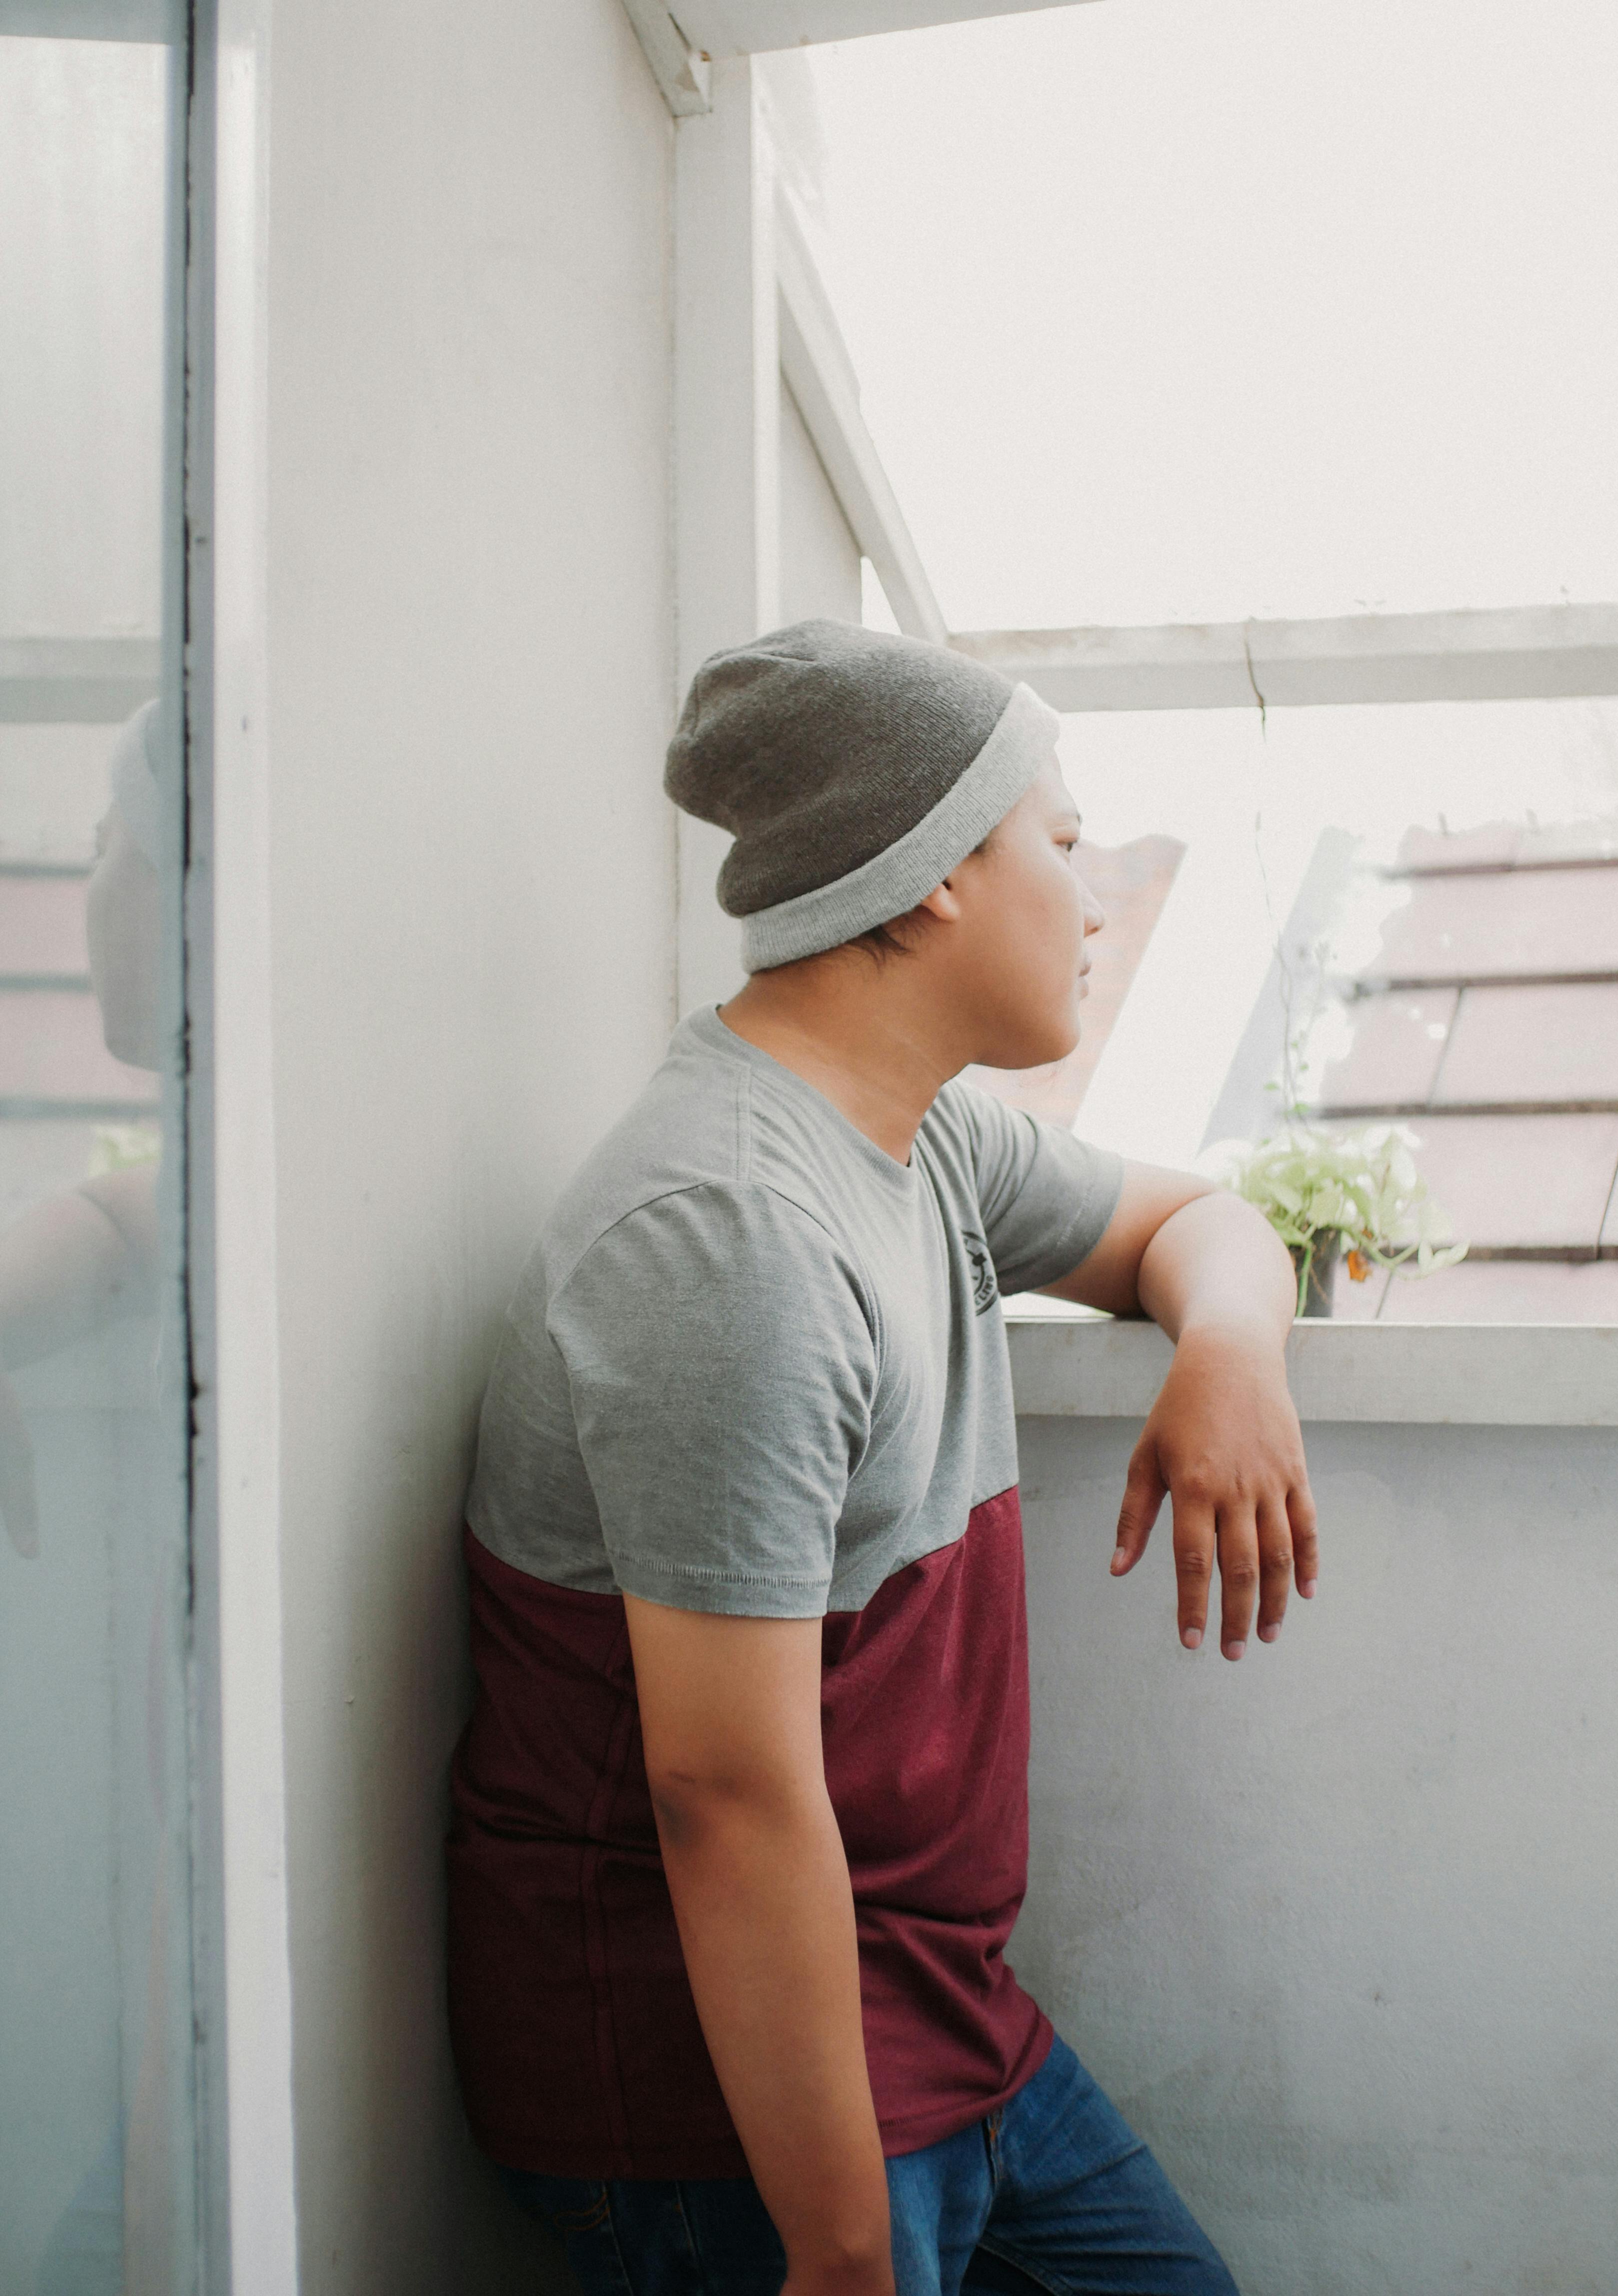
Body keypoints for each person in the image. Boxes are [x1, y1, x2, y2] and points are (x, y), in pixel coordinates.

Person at [447, 622, 1318, 2296]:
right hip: (730, 2106)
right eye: (1060, 846)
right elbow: (725, 1798)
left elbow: (1195, 1220)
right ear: (930, 878)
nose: (1097, 895)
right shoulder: (735, 1240)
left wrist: (1226, 1349)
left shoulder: (914, 1133)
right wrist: (843, 2251)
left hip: (935, 2014)